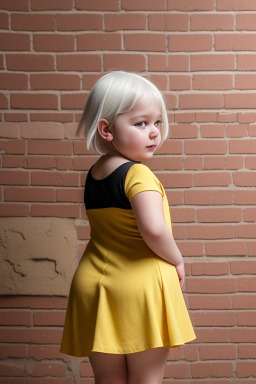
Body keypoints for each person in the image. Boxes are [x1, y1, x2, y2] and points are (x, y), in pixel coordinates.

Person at [60, 71, 196, 384]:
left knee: (108, 379)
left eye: (157, 123)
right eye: (141, 123)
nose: (154, 133)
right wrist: (176, 258)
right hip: (139, 289)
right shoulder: (138, 175)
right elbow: (154, 229)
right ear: (106, 129)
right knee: (146, 379)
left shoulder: (95, 173)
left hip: (94, 287)